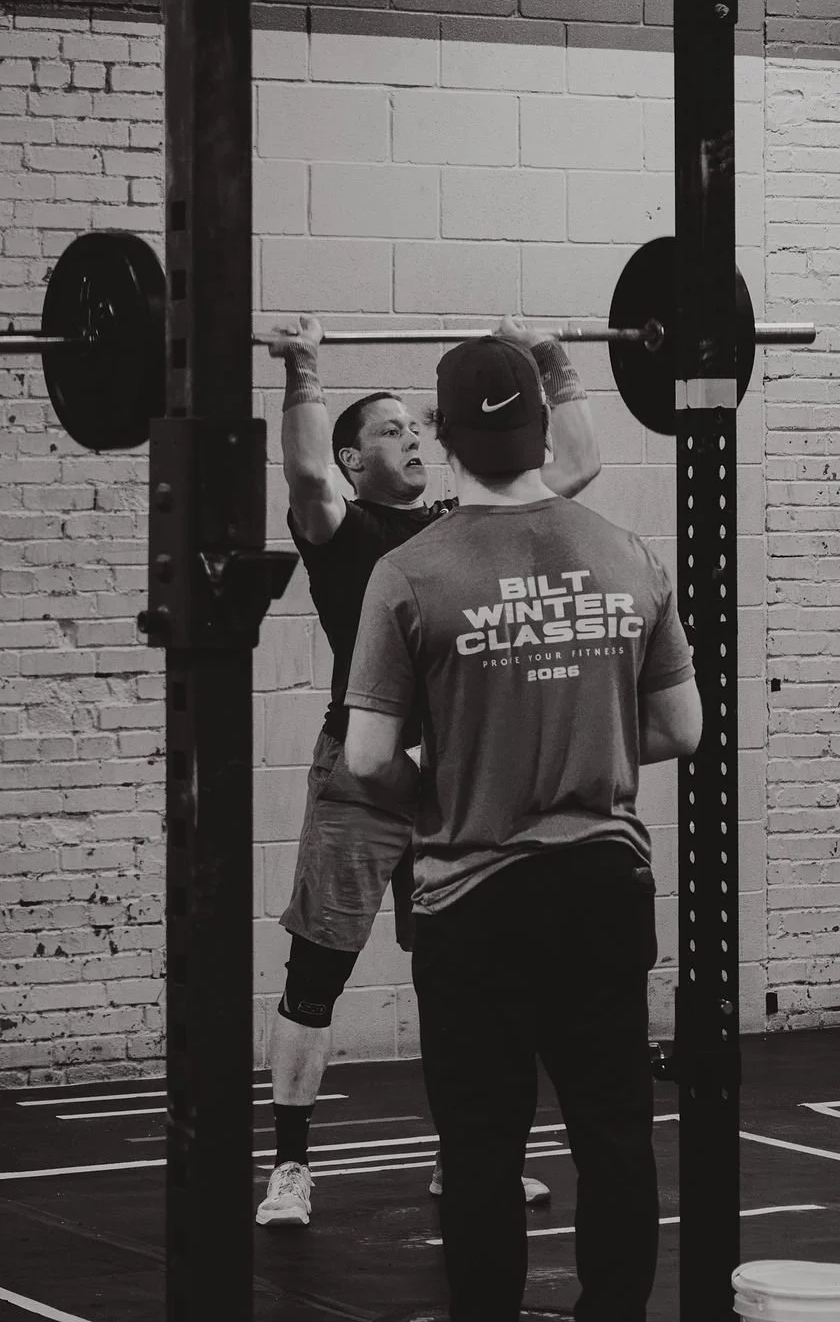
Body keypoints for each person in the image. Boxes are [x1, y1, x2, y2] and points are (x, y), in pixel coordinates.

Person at [342, 334, 703, 1321]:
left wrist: (462, 777)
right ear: (543, 430)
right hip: (600, 886)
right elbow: (682, 727)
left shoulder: (410, 574)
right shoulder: (626, 555)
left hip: (473, 901)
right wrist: (581, 737)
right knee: (615, 1136)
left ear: (447, 440)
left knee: (482, 1150)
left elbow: (367, 759)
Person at [255, 316, 602, 1229]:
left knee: (463, 976)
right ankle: (291, 1167)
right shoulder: (346, 529)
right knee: (316, 972)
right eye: (388, 429)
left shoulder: (466, 522)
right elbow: (301, 474)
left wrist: (548, 364)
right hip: (364, 779)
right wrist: (303, 370)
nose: (412, 436)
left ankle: (465, 1160)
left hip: (456, 779)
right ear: (354, 461)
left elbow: (578, 464)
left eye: (418, 424)